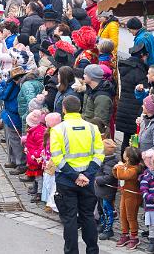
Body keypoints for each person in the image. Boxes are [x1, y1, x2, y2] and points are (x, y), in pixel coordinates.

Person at [50, 94, 104, 254]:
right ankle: (93, 250)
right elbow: (99, 153)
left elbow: (57, 157)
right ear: (80, 108)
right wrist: (86, 174)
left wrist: (75, 176)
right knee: (88, 216)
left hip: (67, 180)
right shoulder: (92, 128)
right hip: (87, 180)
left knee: (70, 219)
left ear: (64, 109)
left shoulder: (58, 130)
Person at [117, 42, 149, 155]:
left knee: (126, 139)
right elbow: (145, 91)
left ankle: (123, 160)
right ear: (142, 56)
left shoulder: (125, 67)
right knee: (134, 140)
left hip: (124, 107)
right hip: (135, 110)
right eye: (145, 56)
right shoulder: (139, 71)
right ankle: (130, 166)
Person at [114, 146, 144, 249]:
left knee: (131, 217)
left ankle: (134, 237)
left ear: (128, 157)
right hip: (124, 194)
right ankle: (125, 234)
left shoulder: (134, 169)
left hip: (132, 196)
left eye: (124, 153)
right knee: (123, 215)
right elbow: (117, 175)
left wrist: (118, 167)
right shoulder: (126, 165)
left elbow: (123, 176)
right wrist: (116, 169)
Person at [94, 139, 118, 240]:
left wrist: (97, 180)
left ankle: (108, 229)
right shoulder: (104, 160)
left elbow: (109, 177)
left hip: (106, 192)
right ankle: (102, 224)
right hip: (100, 191)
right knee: (101, 209)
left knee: (107, 210)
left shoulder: (110, 163)